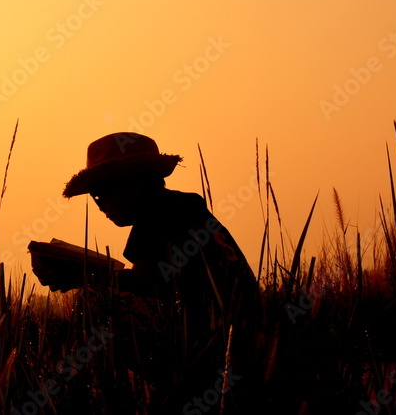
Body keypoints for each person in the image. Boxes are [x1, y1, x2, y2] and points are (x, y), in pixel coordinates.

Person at [32, 132, 262, 412]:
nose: (99, 204)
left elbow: (145, 285)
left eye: (102, 193)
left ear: (134, 185)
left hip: (212, 342)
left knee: (95, 302)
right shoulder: (183, 206)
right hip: (237, 337)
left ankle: (96, 399)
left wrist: (83, 277)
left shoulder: (156, 214)